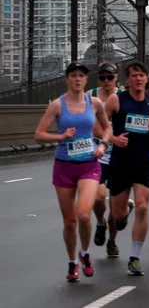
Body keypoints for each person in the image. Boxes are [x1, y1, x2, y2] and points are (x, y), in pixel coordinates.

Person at [35, 61, 112, 281]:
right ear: (67, 79)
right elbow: (39, 134)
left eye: (81, 76)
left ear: (86, 80)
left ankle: (85, 252)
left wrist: (102, 145)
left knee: (83, 214)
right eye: (73, 75)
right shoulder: (57, 105)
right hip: (64, 166)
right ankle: (72, 262)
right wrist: (60, 137)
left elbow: (106, 128)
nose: (77, 79)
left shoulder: (94, 103)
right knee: (69, 222)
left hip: (89, 164)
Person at [103, 61, 149, 276]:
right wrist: (113, 138)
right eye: (134, 75)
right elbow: (98, 122)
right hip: (121, 161)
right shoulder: (118, 100)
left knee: (144, 207)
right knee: (117, 215)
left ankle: (134, 257)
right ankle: (125, 212)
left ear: (146, 78)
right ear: (128, 80)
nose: (138, 79)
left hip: (144, 160)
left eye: (141, 75)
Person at [90, 61, 119, 252]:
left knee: (117, 207)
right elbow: (93, 126)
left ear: (116, 78)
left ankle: (112, 241)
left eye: (109, 77)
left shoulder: (123, 96)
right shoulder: (90, 97)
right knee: (99, 198)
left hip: (118, 157)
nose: (106, 81)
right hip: (98, 154)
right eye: (102, 77)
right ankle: (100, 222)